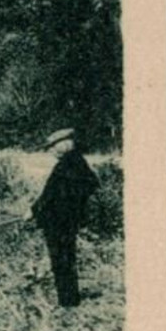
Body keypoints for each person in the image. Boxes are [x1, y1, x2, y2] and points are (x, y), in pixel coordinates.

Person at [31, 128, 99, 307]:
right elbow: (89, 186)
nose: (50, 151)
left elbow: (50, 195)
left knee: (61, 260)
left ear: (65, 143)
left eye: (52, 147)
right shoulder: (77, 162)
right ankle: (69, 299)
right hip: (67, 220)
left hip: (59, 222)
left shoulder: (67, 164)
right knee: (65, 259)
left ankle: (67, 303)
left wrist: (33, 210)